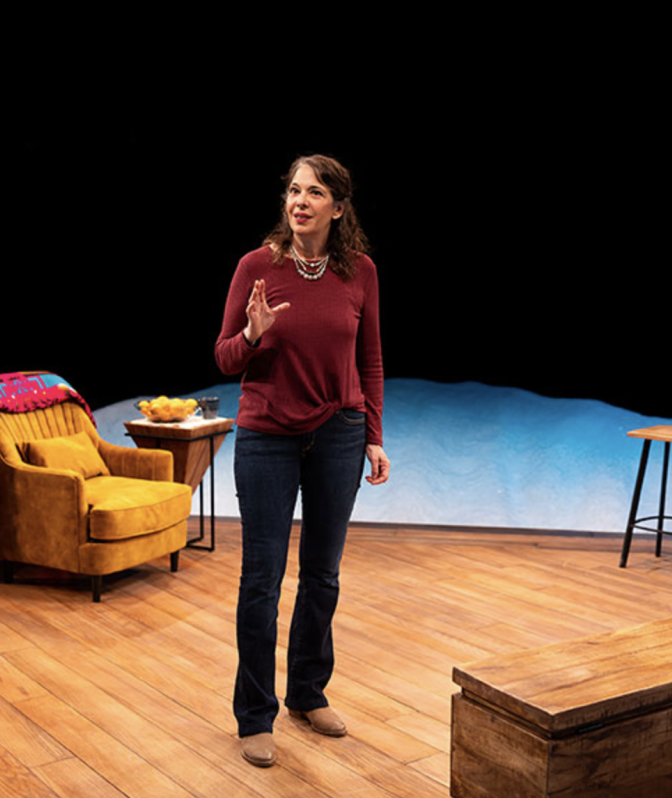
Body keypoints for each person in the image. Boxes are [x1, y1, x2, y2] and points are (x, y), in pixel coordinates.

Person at [215, 154, 390, 768]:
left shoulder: (360, 272)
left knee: (323, 574)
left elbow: (369, 362)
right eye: (294, 190)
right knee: (261, 581)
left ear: (338, 208)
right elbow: (225, 358)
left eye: (315, 192)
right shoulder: (256, 267)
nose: (301, 201)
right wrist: (254, 332)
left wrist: (372, 433)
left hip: (339, 432)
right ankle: (254, 715)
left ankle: (308, 692)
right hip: (267, 435)